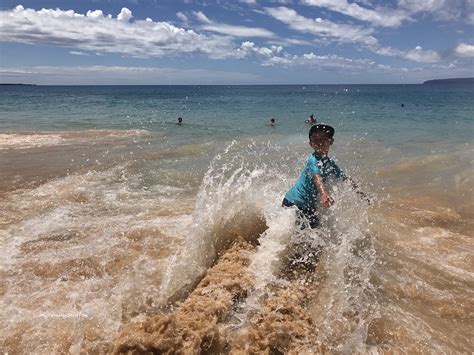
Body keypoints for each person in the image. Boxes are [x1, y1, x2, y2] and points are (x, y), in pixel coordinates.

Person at [282, 124, 368, 229]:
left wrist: (360, 193)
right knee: (308, 235)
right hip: (293, 202)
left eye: (324, 139)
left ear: (331, 141)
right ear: (310, 144)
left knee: (315, 233)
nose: (320, 142)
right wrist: (324, 194)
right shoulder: (312, 160)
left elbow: (344, 178)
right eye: (316, 139)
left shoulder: (330, 163)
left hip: (308, 206)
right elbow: (316, 177)